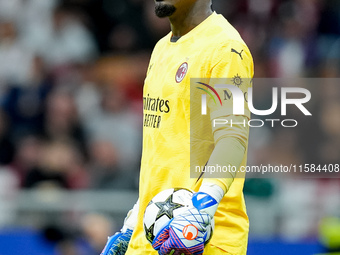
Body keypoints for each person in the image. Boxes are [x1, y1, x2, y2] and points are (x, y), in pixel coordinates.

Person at [101, 0, 253, 254]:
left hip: (201, 238)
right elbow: (162, 157)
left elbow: (232, 138)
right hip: (152, 238)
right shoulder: (161, 49)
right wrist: (131, 226)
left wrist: (201, 208)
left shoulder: (225, 48)